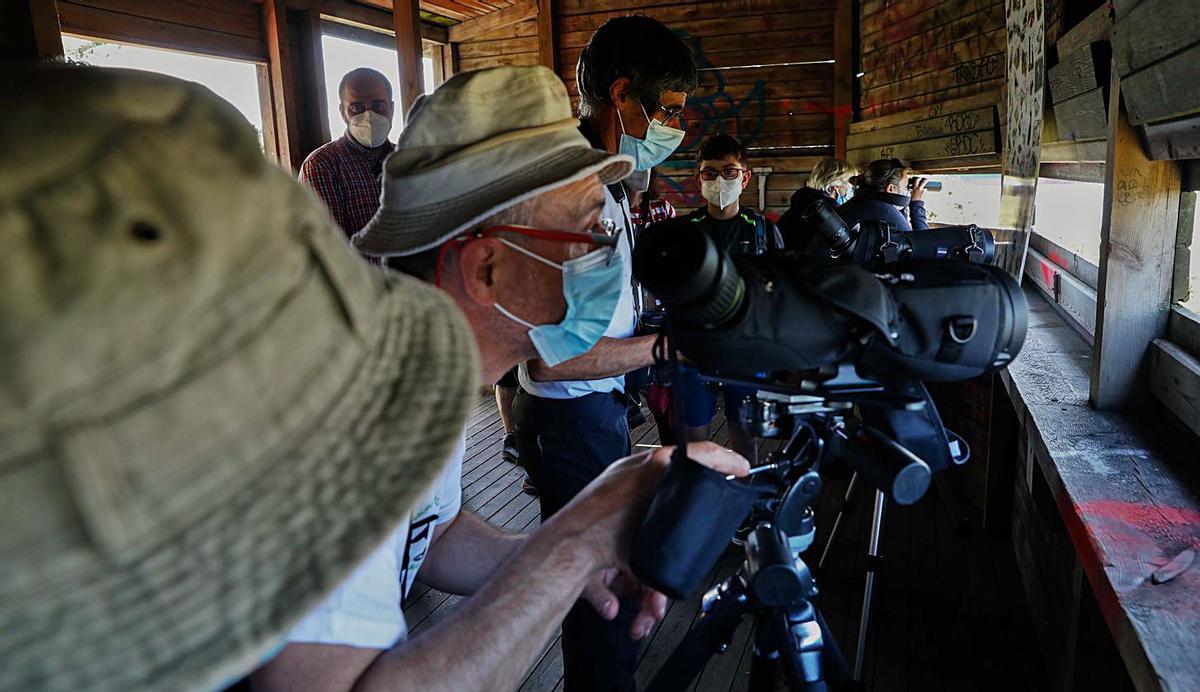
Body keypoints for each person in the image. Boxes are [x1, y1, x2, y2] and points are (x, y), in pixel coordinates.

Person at [0, 65, 749, 692]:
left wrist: (570, 551)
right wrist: (573, 545)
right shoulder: (342, 403)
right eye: (589, 230)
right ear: (485, 266)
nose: (607, 253)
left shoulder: (429, 374)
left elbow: (432, 530)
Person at [509, 15, 699, 691]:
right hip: (569, 417)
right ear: (623, 95)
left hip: (590, 413)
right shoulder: (575, 194)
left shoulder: (604, 179)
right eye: (669, 110)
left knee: (603, 584)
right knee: (603, 602)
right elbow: (553, 359)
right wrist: (663, 346)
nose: (678, 126)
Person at [673, 133, 784, 465]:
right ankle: (698, 505)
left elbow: (778, 292)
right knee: (694, 447)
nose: (719, 179)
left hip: (745, 353)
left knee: (746, 444)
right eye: (710, 172)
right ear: (699, 179)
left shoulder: (762, 230)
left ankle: (745, 505)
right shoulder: (685, 232)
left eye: (729, 171)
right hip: (693, 354)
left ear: (745, 177)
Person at [298, 67, 396, 262]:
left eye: (378, 105)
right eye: (356, 107)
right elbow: (331, 254)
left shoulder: (408, 159)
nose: (369, 116)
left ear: (391, 108)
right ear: (343, 112)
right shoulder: (322, 165)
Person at [778, 157, 857, 250]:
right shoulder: (828, 212)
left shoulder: (804, 200)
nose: (853, 190)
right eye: (852, 186)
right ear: (836, 187)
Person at [837, 157, 930, 232]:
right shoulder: (883, 211)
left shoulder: (861, 201)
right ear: (890, 188)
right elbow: (922, 247)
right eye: (905, 186)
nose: (907, 191)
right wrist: (917, 204)